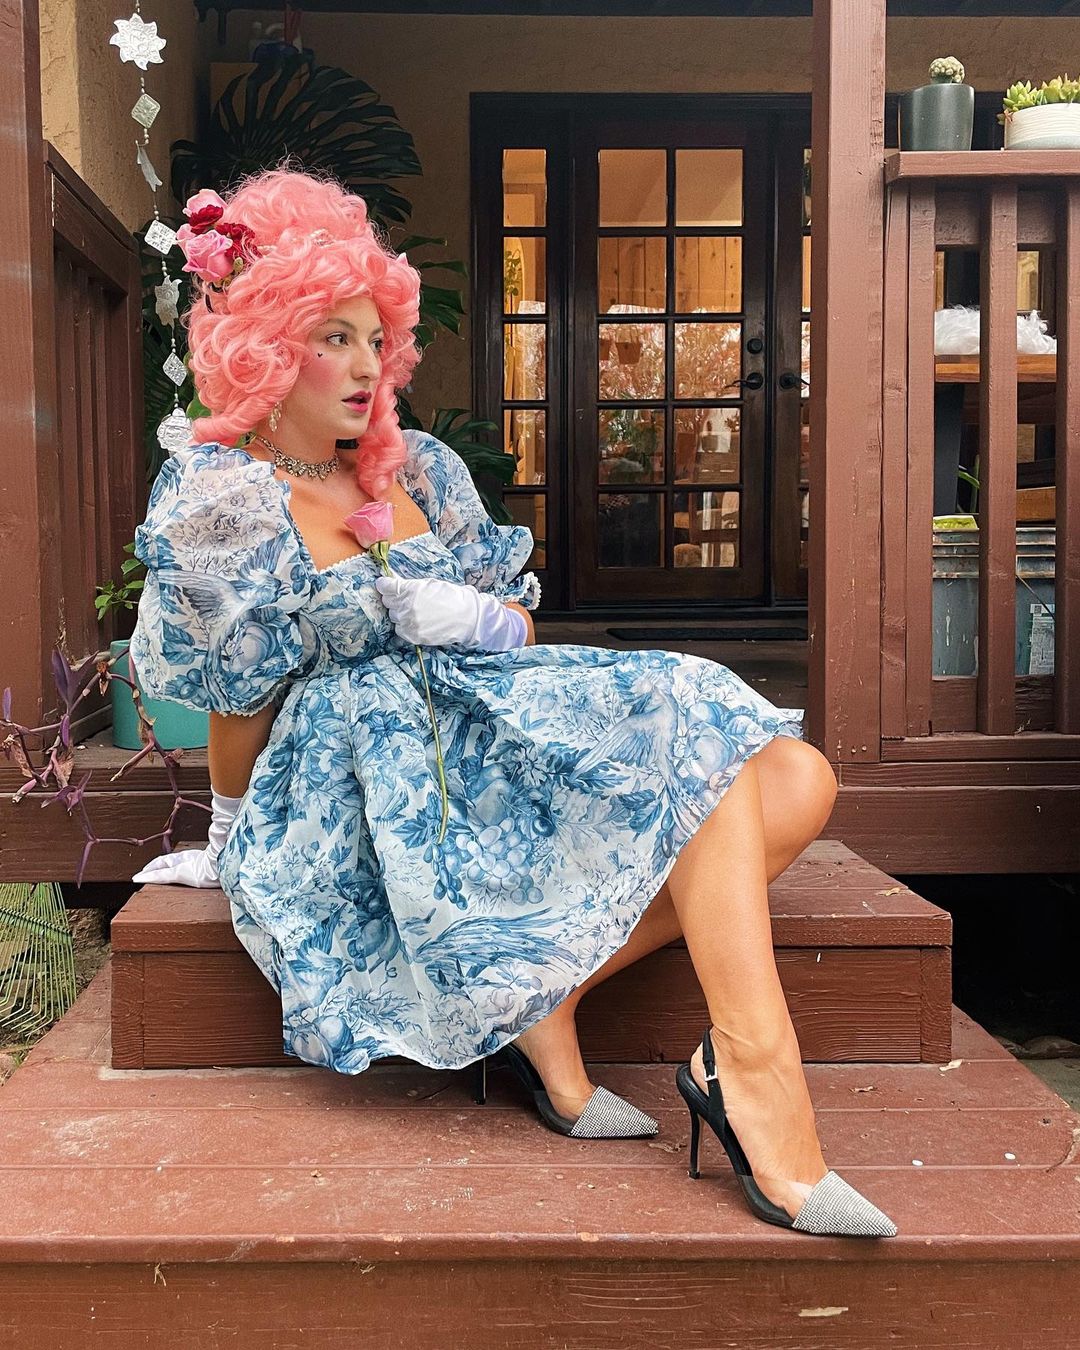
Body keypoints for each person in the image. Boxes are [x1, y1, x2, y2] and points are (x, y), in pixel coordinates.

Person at [129, 166, 896, 1239]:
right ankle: (757, 1072)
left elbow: (518, 631)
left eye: (375, 337)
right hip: (371, 773)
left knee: (798, 777)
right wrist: (228, 833)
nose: (367, 366)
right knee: (699, 731)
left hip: (492, 717)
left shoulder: (418, 470)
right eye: (333, 338)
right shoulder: (225, 499)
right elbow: (237, 701)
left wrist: (476, 619)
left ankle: (555, 998)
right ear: (263, 343)